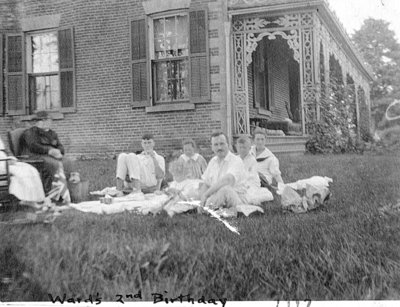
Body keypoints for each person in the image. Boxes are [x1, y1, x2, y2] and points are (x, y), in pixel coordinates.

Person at [19, 111, 71, 204]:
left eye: (49, 120)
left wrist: (59, 151)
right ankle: (50, 194)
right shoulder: (30, 132)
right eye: (47, 120)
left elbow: (60, 146)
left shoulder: (52, 133)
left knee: (67, 161)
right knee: (53, 164)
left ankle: (64, 192)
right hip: (33, 156)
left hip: (47, 156)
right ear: (40, 121)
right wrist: (49, 151)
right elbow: (33, 146)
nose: (50, 122)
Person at [199, 131, 248, 212]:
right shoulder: (213, 161)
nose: (219, 148)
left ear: (228, 145)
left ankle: (209, 209)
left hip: (236, 198)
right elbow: (205, 184)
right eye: (216, 144)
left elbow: (228, 180)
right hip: (216, 197)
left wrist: (206, 195)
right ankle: (210, 208)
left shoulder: (236, 160)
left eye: (222, 144)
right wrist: (202, 199)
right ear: (212, 147)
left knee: (225, 190)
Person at [0, 137, 45, 204]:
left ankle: (33, 199)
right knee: (19, 173)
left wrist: (10, 158)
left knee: (30, 170)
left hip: (5, 160)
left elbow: (6, 151)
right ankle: (24, 198)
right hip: (2, 164)